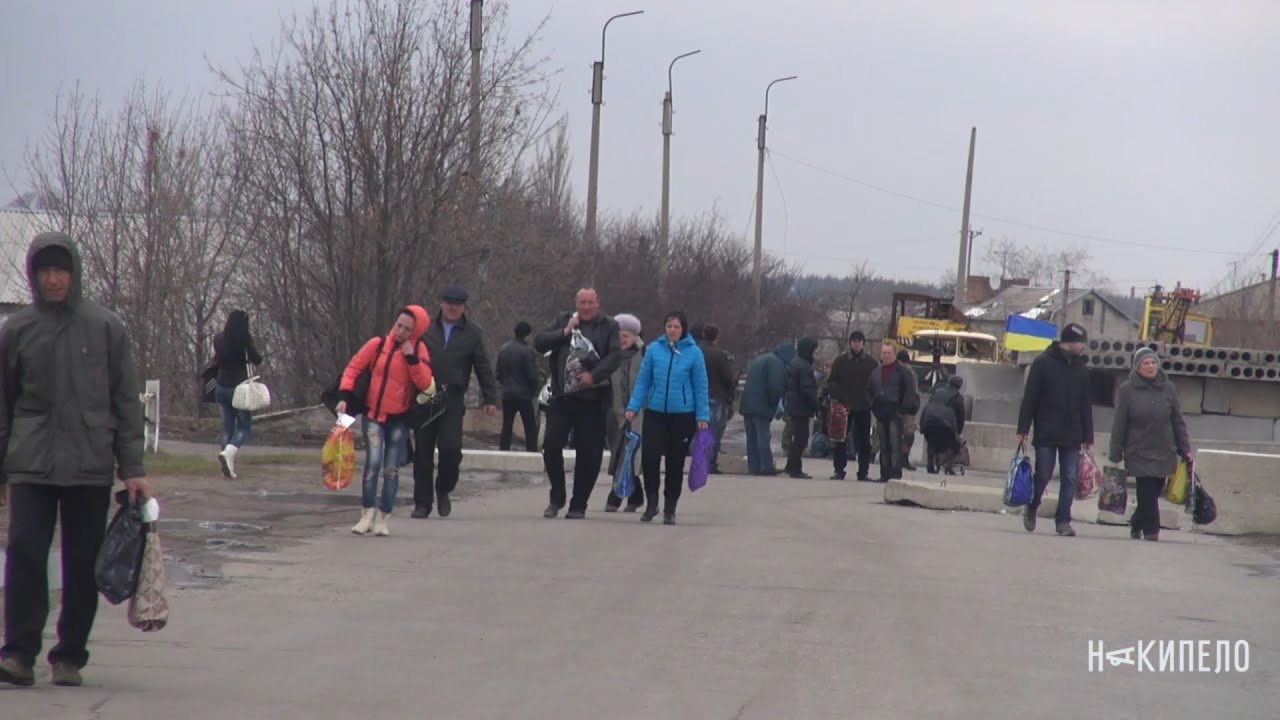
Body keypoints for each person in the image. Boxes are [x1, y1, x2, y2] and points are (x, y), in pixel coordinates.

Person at [0, 232, 152, 688]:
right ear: (33, 275)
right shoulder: (17, 330)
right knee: (25, 554)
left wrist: (134, 468)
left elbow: (126, 402)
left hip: (89, 463)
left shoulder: (106, 327)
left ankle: (69, 655)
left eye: (60, 270)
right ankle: (18, 654)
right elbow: (3, 405)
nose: (53, 279)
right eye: (45, 271)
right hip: (31, 463)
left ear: (75, 273)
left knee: (83, 561)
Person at [336, 306, 434, 537]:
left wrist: (411, 359)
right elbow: (353, 368)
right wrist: (344, 396)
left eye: (407, 329)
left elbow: (425, 383)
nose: (400, 331)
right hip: (373, 416)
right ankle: (366, 514)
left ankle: (383, 517)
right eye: (398, 325)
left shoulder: (419, 351)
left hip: (399, 420)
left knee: (391, 469)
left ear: (416, 331)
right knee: (372, 465)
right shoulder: (378, 344)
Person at [534, 289, 623, 519]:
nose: (586, 307)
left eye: (590, 303)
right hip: (563, 397)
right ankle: (557, 496)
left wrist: (593, 376)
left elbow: (614, 356)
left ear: (597, 303)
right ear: (576, 303)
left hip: (593, 398)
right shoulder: (564, 320)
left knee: (590, 454)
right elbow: (539, 343)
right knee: (551, 444)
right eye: (582, 303)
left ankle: (578, 504)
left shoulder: (609, 326)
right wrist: (564, 332)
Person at [411, 287, 498, 519]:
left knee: (450, 449)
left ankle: (444, 488)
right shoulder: (425, 328)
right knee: (423, 453)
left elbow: (483, 366)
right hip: (424, 397)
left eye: (457, 304)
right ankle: (422, 503)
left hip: (452, 398)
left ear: (463, 307)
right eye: (449, 303)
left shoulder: (472, 333)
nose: (452, 307)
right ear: (441, 303)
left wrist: (490, 398)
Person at [625, 311, 710, 525]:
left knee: (675, 461)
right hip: (655, 412)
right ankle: (652, 502)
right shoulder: (654, 350)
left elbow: (700, 385)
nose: (672, 330)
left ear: (683, 330)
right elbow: (643, 381)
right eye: (669, 326)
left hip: (683, 414)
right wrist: (634, 405)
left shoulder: (694, 353)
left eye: (676, 327)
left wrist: (702, 415)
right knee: (650, 457)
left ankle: (670, 506)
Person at [1016, 323, 1093, 537]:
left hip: (1072, 434)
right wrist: (1023, 428)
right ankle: (1032, 507)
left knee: (1069, 477)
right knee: (1043, 474)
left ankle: (1063, 521)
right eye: (1081, 343)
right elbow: (1030, 399)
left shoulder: (1081, 368)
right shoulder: (1043, 363)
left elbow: (1086, 404)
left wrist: (1088, 435)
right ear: (1068, 343)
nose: (1083, 347)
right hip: (1046, 432)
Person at [1108, 347, 1191, 542]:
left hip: (1164, 449)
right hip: (1138, 449)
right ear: (1137, 368)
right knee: (1146, 491)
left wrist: (1185, 449)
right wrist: (1115, 450)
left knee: (1154, 492)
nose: (1150, 366)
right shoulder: (1127, 390)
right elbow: (1119, 422)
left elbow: (1177, 420)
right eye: (1146, 363)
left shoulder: (1168, 388)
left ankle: (1137, 522)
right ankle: (1152, 531)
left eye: (1153, 362)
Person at [211, 309, 264, 479]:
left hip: (221, 387)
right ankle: (228, 453)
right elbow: (257, 359)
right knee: (244, 426)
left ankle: (227, 467)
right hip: (239, 388)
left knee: (227, 427)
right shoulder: (244, 340)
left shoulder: (218, 338)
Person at [604, 313, 646, 512]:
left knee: (630, 453)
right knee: (618, 452)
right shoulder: (610, 355)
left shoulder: (644, 354)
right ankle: (636, 495)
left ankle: (616, 496)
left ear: (635, 336)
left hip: (639, 413)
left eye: (626, 335)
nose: (622, 339)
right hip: (615, 413)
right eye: (619, 335)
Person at [823, 330, 878, 480]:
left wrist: (870, 400)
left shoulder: (871, 364)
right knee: (840, 439)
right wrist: (839, 397)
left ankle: (863, 471)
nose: (856, 343)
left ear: (863, 343)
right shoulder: (840, 362)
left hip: (863, 406)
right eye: (854, 341)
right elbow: (832, 382)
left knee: (864, 441)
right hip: (844, 407)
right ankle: (839, 470)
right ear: (850, 343)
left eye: (859, 341)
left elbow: (876, 385)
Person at [867, 341, 919, 482]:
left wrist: (903, 410)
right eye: (884, 353)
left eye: (889, 353)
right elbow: (869, 391)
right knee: (883, 445)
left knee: (895, 444)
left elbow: (910, 392)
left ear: (894, 354)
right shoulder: (876, 372)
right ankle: (884, 473)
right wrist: (873, 406)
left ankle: (895, 473)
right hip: (880, 412)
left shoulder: (903, 372)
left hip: (895, 413)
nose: (886, 355)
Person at [740, 342, 793, 475]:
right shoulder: (777, 363)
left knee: (751, 438)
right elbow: (775, 387)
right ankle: (766, 466)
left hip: (747, 404)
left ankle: (754, 467)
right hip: (761, 405)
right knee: (763, 437)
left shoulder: (761, 359)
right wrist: (774, 404)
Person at [697, 323, 736, 475]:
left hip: (696, 396)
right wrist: (730, 396)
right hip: (715, 396)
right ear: (716, 337)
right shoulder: (719, 355)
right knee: (713, 431)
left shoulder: (695, 352)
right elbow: (728, 378)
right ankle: (709, 463)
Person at [497, 320, 542, 452]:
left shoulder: (503, 349)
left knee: (507, 426)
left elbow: (498, 373)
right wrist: (534, 390)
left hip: (507, 394)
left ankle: (503, 451)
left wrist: (506, 384)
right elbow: (532, 374)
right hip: (524, 395)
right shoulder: (527, 351)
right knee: (530, 427)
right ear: (527, 334)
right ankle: (532, 452)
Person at [783, 337, 820, 479]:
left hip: (793, 404)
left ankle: (790, 465)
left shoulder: (794, 363)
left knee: (796, 436)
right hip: (801, 406)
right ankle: (795, 468)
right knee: (801, 437)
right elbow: (807, 389)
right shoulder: (804, 366)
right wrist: (816, 405)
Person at [921, 375, 967, 474]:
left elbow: (928, 406)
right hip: (945, 425)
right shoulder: (958, 397)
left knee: (931, 443)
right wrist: (958, 432)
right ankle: (948, 467)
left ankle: (930, 465)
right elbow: (961, 417)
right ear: (960, 386)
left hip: (928, 421)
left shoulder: (937, 392)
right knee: (954, 444)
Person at [896, 350, 921, 471]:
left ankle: (902, 458)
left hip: (905, 408)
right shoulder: (909, 372)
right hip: (906, 408)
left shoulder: (908, 372)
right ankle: (902, 458)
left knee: (906, 434)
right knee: (907, 434)